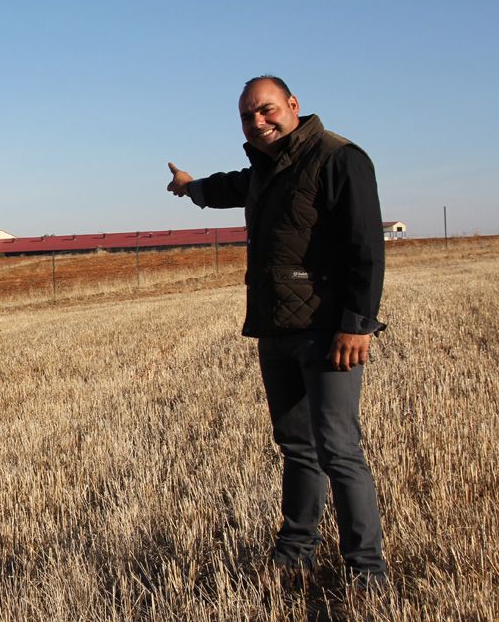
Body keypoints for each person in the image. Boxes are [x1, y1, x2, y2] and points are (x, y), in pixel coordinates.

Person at [166, 75, 388, 591]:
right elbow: (228, 186)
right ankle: (294, 555)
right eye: (248, 116)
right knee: (296, 445)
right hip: (276, 329)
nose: (258, 123)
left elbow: (366, 249)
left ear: (293, 105)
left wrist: (357, 326)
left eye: (266, 110)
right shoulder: (267, 169)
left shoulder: (339, 158)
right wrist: (189, 187)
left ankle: (367, 572)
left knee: (338, 448)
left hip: (327, 331)